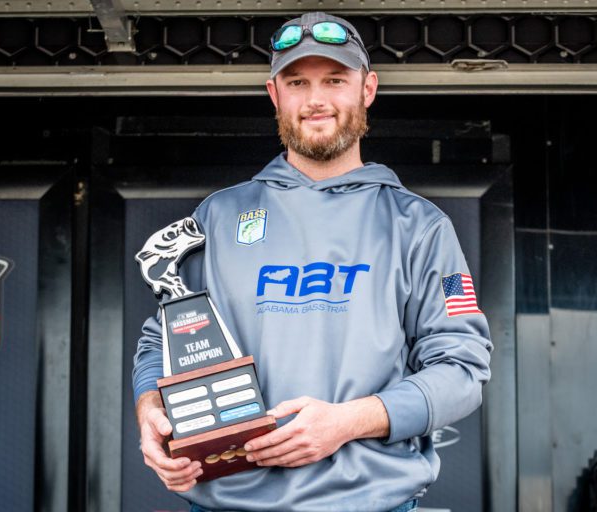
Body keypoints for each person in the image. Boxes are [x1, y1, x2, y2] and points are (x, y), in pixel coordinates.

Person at [132, 11, 493, 512]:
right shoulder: (218, 216)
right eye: (297, 82)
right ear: (274, 93)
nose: (316, 99)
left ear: (367, 89)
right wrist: (150, 406)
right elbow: (162, 338)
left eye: (335, 80)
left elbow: (462, 370)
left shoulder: (422, 227)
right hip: (225, 504)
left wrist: (347, 422)